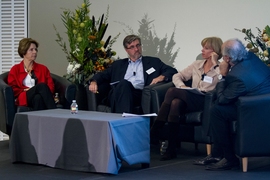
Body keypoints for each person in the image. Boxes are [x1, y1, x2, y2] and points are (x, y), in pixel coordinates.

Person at [193, 38, 270, 170]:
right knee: (218, 108)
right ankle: (217, 154)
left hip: (254, 109)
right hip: (263, 102)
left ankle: (229, 158)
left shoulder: (237, 75)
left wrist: (222, 75)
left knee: (217, 110)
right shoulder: (251, 57)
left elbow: (223, 98)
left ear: (227, 58)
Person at [150, 37, 223, 161]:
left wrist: (215, 63)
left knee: (172, 91)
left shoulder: (220, 67)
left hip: (205, 101)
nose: (202, 50)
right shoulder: (197, 64)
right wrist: (182, 86)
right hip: (191, 98)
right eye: (203, 47)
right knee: (175, 103)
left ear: (215, 51)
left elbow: (223, 81)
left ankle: (155, 130)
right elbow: (177, 75)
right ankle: (171, 148)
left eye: (206, 48)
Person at [88, 34, 177, 113]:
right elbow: (103, 75)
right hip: (119, 93)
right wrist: (93, 81)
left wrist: (161, 77)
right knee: (124, 84)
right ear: (126, 50)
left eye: (138, 45)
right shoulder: (118, 65)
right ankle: (126, 120)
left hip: (139, 95)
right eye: (132, 47)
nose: (136, 49)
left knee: (124, 84)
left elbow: (172, 71)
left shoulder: (153, 62)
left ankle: (122, 122)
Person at [8, 38, 56, 110]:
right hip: (24, 97)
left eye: (36, 49)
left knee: (38, 98)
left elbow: (51, 87)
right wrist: (25, 90)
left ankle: (37, 120)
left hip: (40, 97)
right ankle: (55, 112)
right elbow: (12, 89)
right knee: (41, 86)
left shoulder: (43, 68)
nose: (35, 52)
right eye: (31, 50)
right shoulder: (15, 69)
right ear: (24, 52)